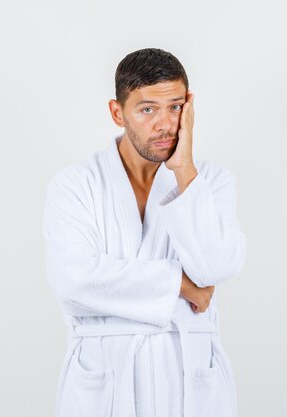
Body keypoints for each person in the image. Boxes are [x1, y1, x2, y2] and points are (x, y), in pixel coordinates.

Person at [42, 47, 247, 417]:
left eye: (175, 107)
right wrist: (181, 286)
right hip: (105, 383)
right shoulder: (76, 185)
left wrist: (184, 170)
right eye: (148, 109)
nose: (165, 123)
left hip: (190, 377)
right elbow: (74, 281)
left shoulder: (210, 182)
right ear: (117, 112)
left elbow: (215, 266)